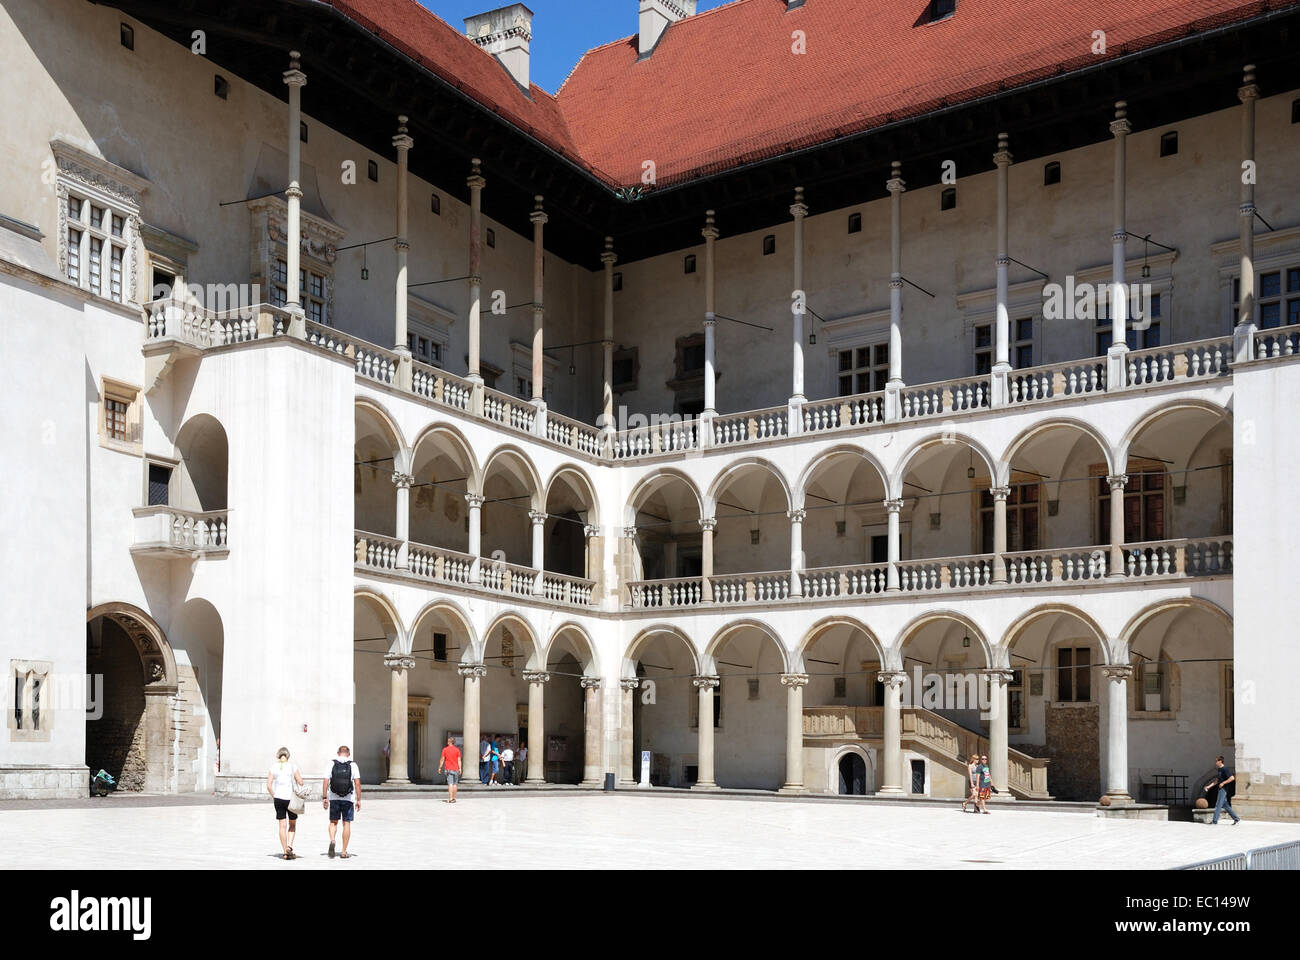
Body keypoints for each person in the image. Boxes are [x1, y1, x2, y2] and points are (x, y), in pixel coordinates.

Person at [323, 745, 362, 859]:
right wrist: (358, 799)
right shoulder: (353, 764)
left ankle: (332, 840)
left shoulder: (331, 763)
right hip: (348, 798)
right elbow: (357, 783)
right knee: (346, 823)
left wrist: (325, 797)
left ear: (338, 753)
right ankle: (344, 851)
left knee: (333, 822)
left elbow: (326, 781)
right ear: (348, 754)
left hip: (334, 797)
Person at [267, 747, 305, 860]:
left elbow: (268, 786)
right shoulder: (292, 766)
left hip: (278, 799)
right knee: (292, 824)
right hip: (290, 799)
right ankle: (289, 846)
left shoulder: (273, 767)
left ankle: (284, 852)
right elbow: (301, 782)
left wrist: (274, 796)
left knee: (282, 826)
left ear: (278, 756)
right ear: (288, 756)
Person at [1204, 755, 1242, 825]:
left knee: (1218, 804)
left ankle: (1214, 821)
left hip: (1223, 789)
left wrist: (1223, 783)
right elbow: (1217, 780)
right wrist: (1208, 787)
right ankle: (1237, 819)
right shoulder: (1219, 769)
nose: (1215, 762)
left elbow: (1232, 778)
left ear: (1220, 761)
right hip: (1220, 788)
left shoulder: (1225, 769)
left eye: (1216, 761)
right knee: (1225, 805)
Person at [438, 735, 462, 803]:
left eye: (448, 741)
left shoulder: (445, 749)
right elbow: (459, 760)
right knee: (455, 784)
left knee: (450, 784)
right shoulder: (457, 750)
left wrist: (440, 767)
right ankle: (454, 798)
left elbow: (442, 759)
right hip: (456, 769)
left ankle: (451, 798)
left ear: (449, 742)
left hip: (449, 769)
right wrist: (460, 768)